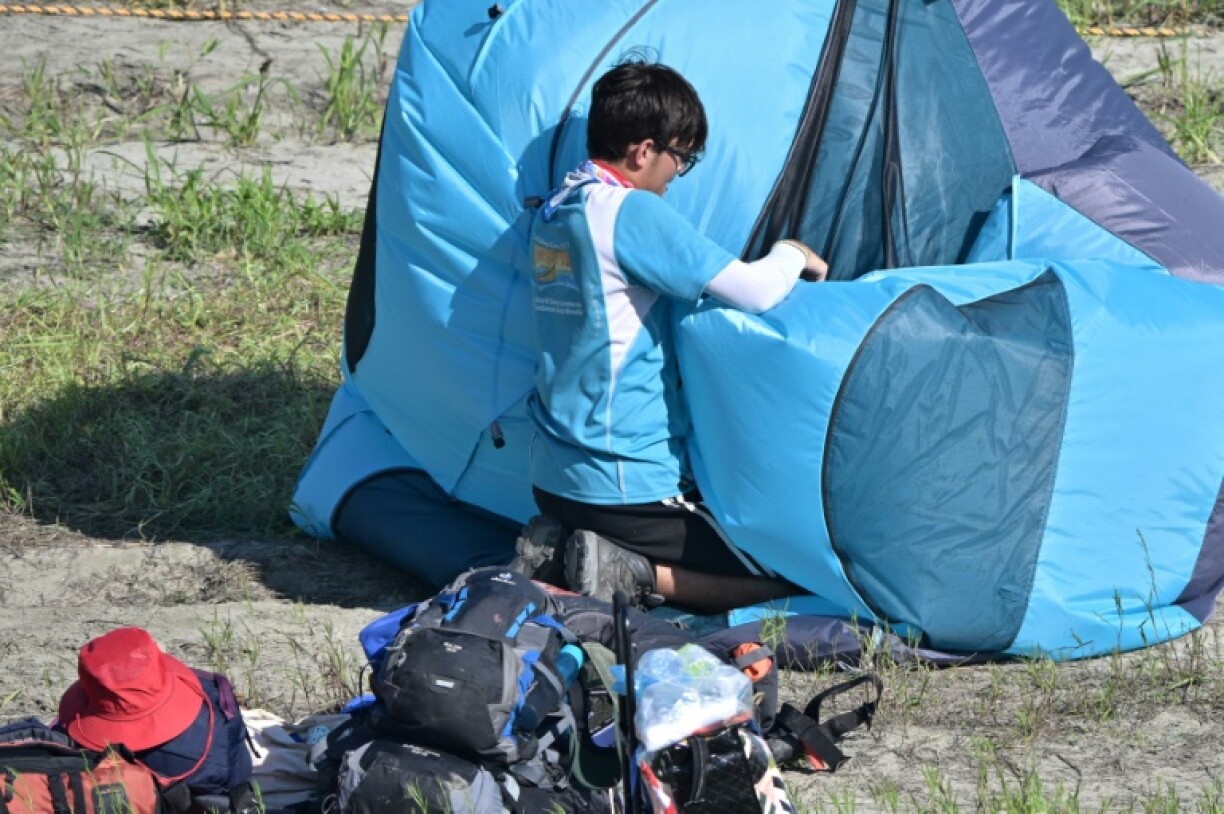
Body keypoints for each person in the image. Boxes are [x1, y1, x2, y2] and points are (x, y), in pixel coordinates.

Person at [513, 58, 827, 614]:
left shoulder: (555, 210)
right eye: (680, 157)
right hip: (626, 484)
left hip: (552, 478)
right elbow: (753, 290)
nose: (676, 176)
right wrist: (792, 253)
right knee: (792, 573)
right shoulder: (629, 213)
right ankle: (636, 572)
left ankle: (567, 552)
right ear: (643, 150)